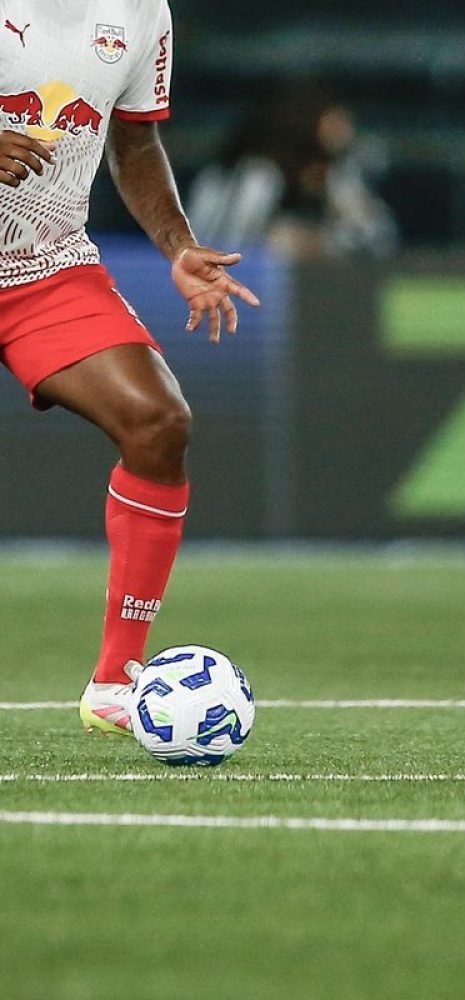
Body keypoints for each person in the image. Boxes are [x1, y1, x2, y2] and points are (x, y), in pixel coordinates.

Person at [0, 0, 259, 736]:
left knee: (158, 421)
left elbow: (135, 143)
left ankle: (116, 681)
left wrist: (178, 246)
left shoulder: (142, 10)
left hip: (45, 266)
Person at [187, 86, 398, 260]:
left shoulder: (337, 178)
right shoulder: (255, 175)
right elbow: (222, 245)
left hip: (308, 291)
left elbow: (378, 239)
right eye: (335, 120)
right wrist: (274, 243)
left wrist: (317, 241)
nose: (346, 129)